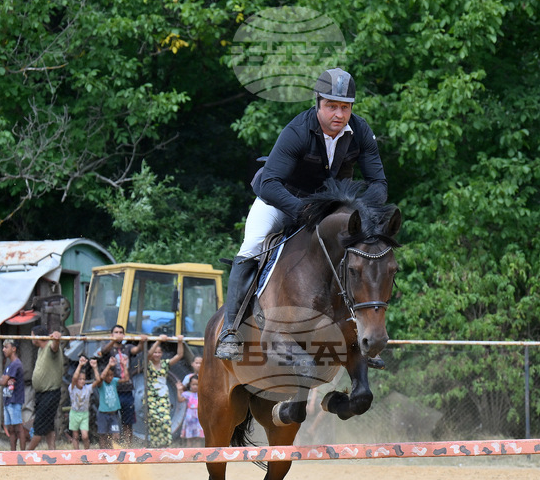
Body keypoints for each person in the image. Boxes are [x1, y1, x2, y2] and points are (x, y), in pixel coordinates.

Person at [215, 67, 388, 363]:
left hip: (326, 208)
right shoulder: (297, 131)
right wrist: (301, 210)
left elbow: (379, 185)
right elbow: (269, 183)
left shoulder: (360, 132)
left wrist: (361, 212)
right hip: (281, 200)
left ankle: (358, 333)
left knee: (358, 255)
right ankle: (231, 331)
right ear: (318, 103)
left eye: (345, 107)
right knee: (253, 245)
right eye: (331, 106)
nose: (338, 114)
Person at [96, 324, 143, 446]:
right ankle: (109, 447)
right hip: (112, 390)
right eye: (116, 332)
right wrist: (112, 341)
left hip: (126, 389)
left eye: (121, 332)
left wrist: (142, 342)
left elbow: (136, 350)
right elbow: (103, 351)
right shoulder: (108, 348)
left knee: (127, 421)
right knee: (109, 421)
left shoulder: (127, 347)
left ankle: (128, 446)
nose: (118, 334)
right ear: (111, 335)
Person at [26, 324, 64, 450]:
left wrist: (56, 338)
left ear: (37, 337)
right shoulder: (40, 350)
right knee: (48, 426)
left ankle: (25, 454)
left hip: (50, 393)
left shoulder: (50, 347)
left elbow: (55, 346)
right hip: (42, 393)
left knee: (39, 427)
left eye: (32, 336)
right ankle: (52, 451)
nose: (31, 339)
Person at [144, 334, 184, 448]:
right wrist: (159, 340)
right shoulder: (148, 364)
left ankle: (166, 445)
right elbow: (148, 355)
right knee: (154, 420)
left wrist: (180, 341)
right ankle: (155, 445)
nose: (156, 354)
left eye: (159, 352)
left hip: (163, 395)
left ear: (162, 354)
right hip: (151, 396)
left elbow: (179, 355)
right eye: (155, 352)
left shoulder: (165, 364)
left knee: (165, 420)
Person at [0, 339, 26, 450]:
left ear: (13, 349)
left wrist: (3, 380)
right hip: (8, 400)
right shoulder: (9, 365)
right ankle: (13, 452)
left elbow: (3, 381)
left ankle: (22, 453)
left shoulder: (16, 364)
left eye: (6, 347)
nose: (3, 349)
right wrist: (3, 380)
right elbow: (3, 380)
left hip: (14, 400)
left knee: (18, 427)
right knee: (11, 429)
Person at [94, 357, 123, 448]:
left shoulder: (114, 382)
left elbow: (126, 379)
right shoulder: (101, 384)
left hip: (113, 414)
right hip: (103, 414)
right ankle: (103, 453)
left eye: (111, 375)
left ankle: (112, 451)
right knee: (103, 435)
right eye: (108, 375)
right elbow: (101, 377)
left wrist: (124, 365)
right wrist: (109, 364)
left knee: (115, 435)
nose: (109, 377)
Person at [68, 355, 94, 449]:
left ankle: (86, 453)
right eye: (80, 379)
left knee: (85, 436)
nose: (82, 381)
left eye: (83, 379)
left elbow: (98, 381)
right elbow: (74, 378)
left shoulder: (87, 389)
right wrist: (80, 365)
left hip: (84, 414)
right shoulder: (72, 388)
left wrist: (94, 367)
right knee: (75, 436)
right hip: (74, 413)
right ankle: (77, 454)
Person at [177, 374, 204, 447]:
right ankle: (189, 452)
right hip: (190, 417)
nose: (195, 386)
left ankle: (198, 451)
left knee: (198, 437)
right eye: (193, 384)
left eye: (197, 385)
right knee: (189, 437)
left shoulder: (201, 394)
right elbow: (180, 399)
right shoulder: (187, 394)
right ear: (190, 384)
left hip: (199, 417)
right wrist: (179, 390)